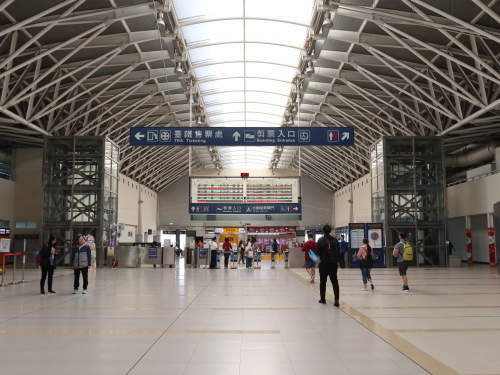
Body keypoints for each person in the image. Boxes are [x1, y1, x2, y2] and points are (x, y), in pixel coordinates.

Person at [316, 225, 340, 307]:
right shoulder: (335, 240)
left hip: (324, 264)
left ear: (323, 231)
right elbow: (338, 252)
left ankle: (323, 299)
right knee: (335, 282)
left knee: (323, 282)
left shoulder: (320, 240)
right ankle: (336, 300)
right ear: (330, 231)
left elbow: (318, 252)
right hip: (333, 264)